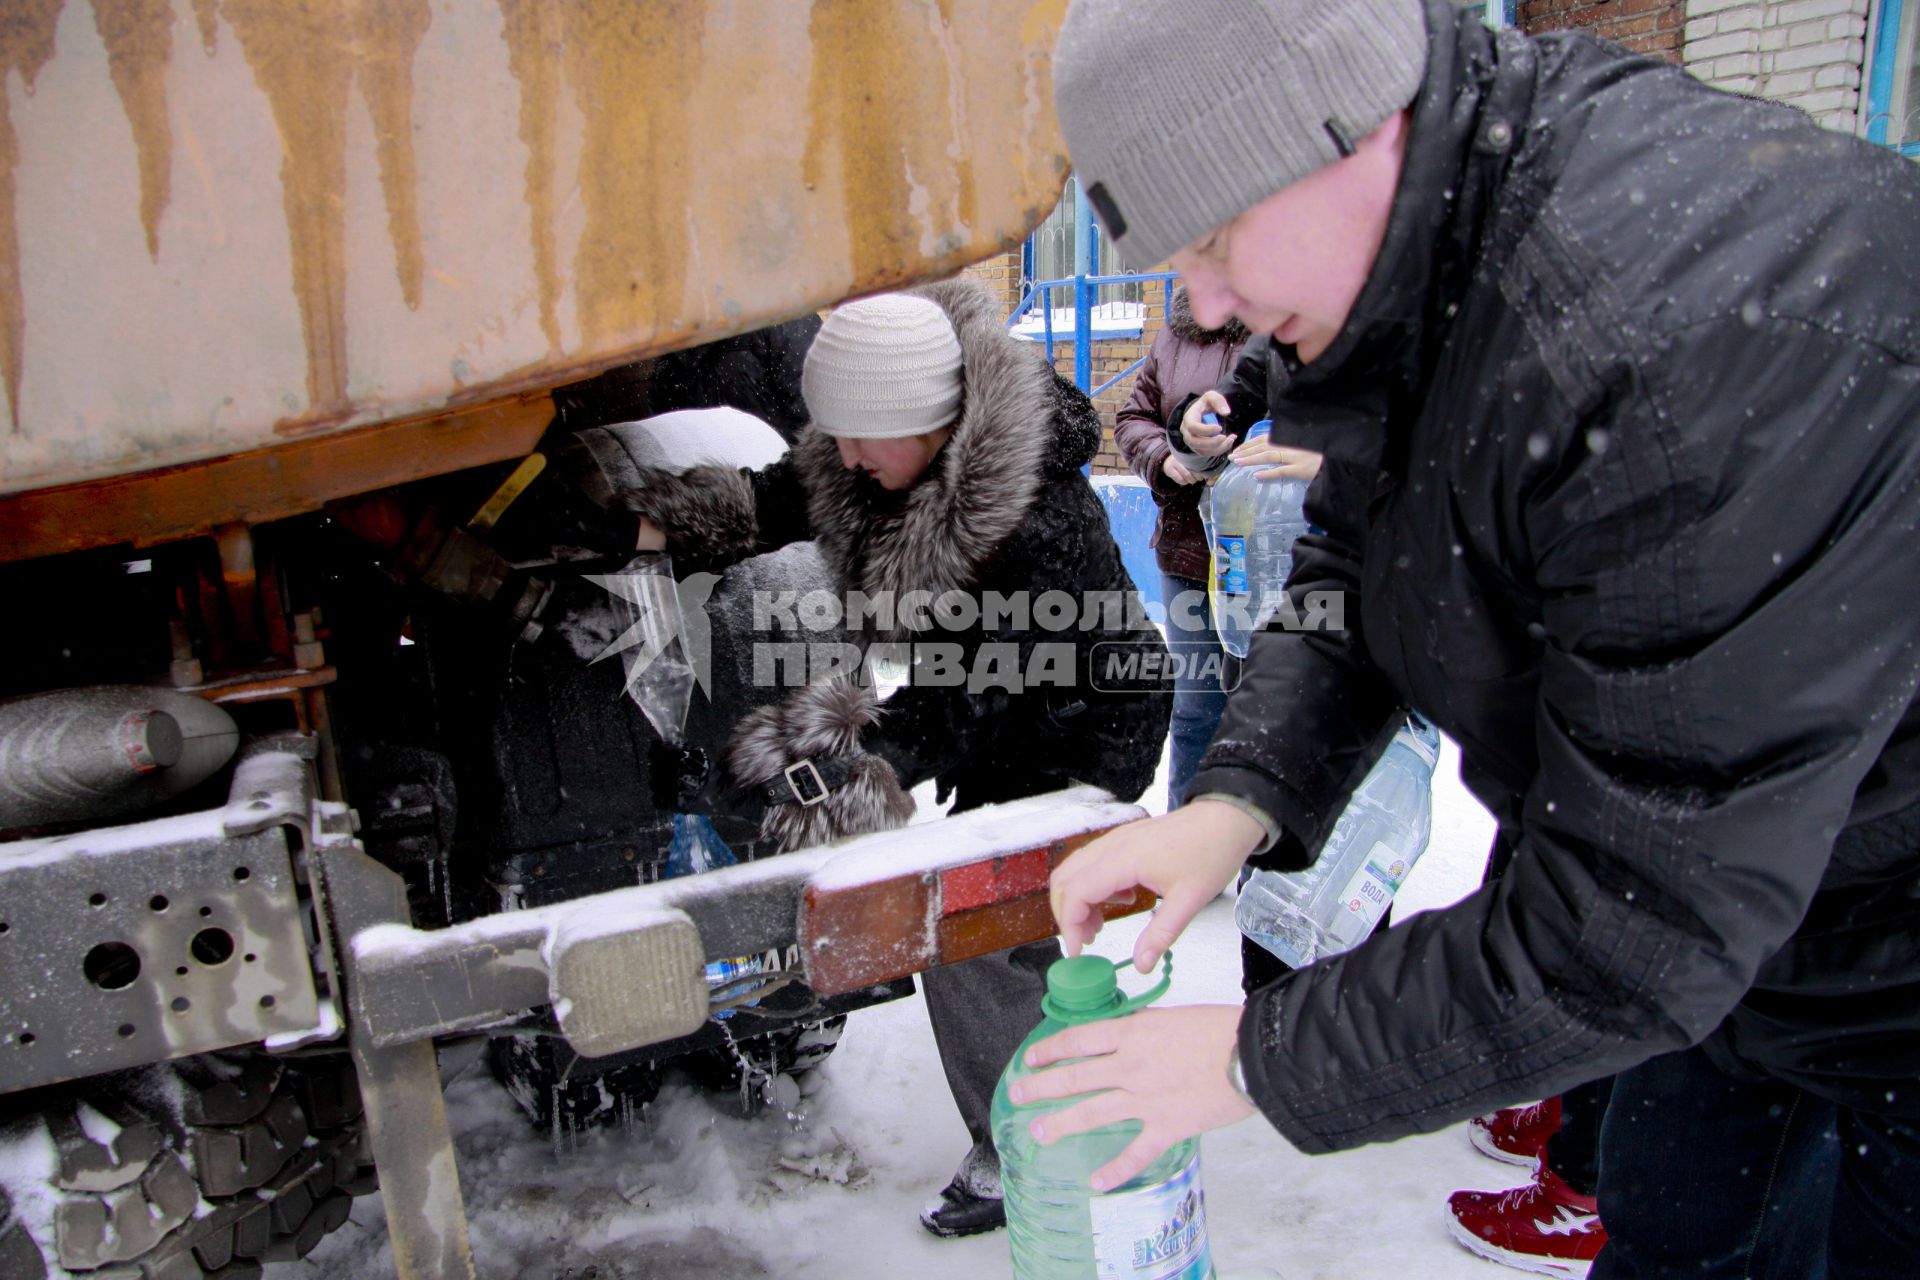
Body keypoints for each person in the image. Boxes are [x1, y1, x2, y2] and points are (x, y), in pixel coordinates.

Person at [1013, 1, 1920, 1276]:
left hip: (1872, 939)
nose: (1203, 298)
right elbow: (1362, 549)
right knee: (1679, 1235)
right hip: (1760, 940)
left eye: (1214, 234)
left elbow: (1629, 926)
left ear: (1352, 123)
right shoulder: (1431, 250)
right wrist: (1240, 796)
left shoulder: (1664, 362)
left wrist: (1247, 1054)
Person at [628, 280, 1171, 1238]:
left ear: (926, 421)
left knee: (975, 934)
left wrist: (852, 764)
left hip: (1082, 722)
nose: (841, 459)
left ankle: (1029, 1153)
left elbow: (987, 697)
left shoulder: (1031, 518)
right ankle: (1070, 1089)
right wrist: (651, 526)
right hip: (984, 696)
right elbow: (777, 498)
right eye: (832, 437)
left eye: (858, 441)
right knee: (993, 929)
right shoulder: (875, 451)